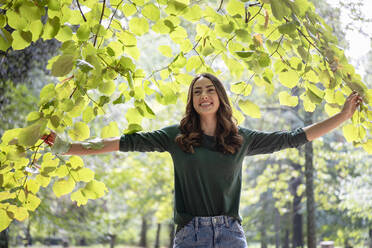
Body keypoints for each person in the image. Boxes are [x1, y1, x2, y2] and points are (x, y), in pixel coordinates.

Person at [43, 73, 363, 247]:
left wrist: (343, 116)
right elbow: (122, 143)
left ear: (220, 97)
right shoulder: (176, 138)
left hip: (230, 234)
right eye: (197, 91)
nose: (204, 95)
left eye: (210, 89)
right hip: (189, 234)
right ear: (192, 101)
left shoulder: (242, 140)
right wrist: (67, 146)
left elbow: (294, 137)